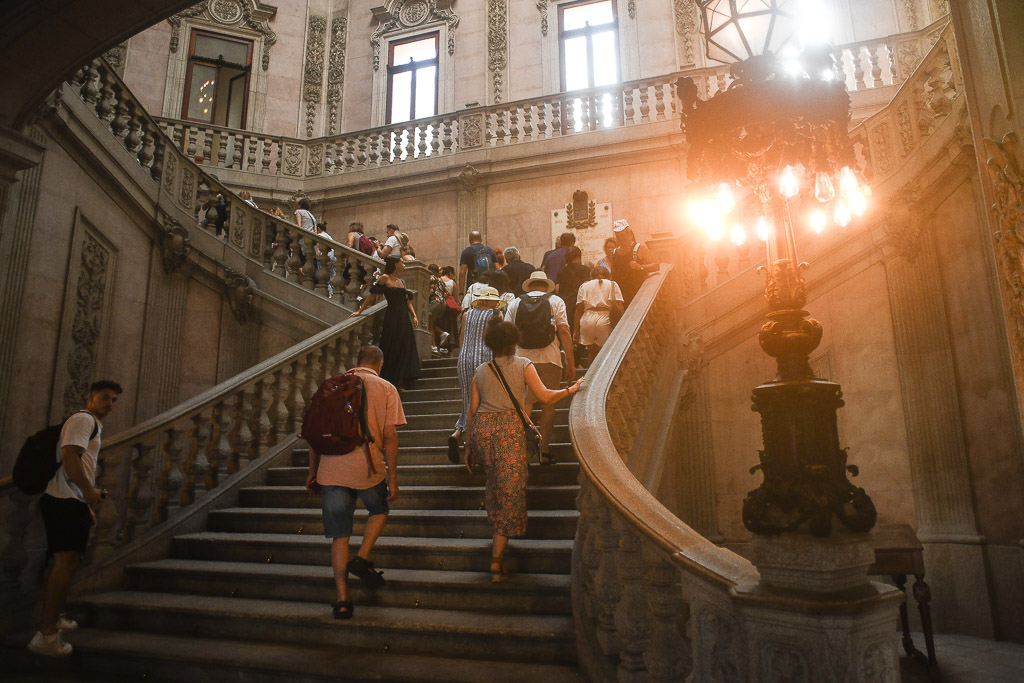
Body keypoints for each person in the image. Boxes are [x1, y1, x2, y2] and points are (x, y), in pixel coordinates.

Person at [465, 319, 584, 581]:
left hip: (483, 431)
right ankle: (496, 561)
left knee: (495, 485)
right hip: (508, 431)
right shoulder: (523, 364)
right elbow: (544, 396)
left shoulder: (481, 370)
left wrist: (468, 446)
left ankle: (497, 531)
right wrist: (571, 389)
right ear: (513, 342)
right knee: (510, 492)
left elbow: (472, 410)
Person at [305, 345, 404, 620]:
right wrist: (393, 478)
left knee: (339, 536)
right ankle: (362, 557)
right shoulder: (386, 387)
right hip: (367, 468)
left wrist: (313, 472)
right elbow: (390, 436)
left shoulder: (330, 387)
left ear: (356, 362)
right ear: (379, 364)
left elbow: (314, 433)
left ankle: (342, 599)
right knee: (379, 509)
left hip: (331, 470)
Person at [28, 380, 123, 657]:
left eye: (114, 399)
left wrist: (85, 504)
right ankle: (46, 636)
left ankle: (53, 618)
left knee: (64, 566)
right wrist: (88, 491)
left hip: (70, 500)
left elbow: (78, 463)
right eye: (105, 397)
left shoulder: (90, 422)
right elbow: (70, 457)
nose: (110, 404)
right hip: (64, 500)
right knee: (63, 567)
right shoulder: (83, 419)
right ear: (90, 397)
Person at [504, 271, 575, 465]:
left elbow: (506, 334)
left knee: (526, 404)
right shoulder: (556, 301)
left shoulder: (515, 303)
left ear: (530, 285)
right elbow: (564, 331)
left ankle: (525, 453)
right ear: (545, 285)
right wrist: (571, 360)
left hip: (522, 360)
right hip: (550, 359)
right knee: (548, 404)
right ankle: (543, 452)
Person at [448, 285, 504, 462]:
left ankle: (457, 434)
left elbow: (462, 339)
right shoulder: (496, 315)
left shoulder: (467, 314)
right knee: (483, 403)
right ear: (489, 299)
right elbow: (497, 340)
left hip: (464, 359)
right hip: (485, 359)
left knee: (468, 401)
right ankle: (473, 446)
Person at [350, 257, 421, 389]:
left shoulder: (401, 282)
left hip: (404, 318)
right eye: (402, 262)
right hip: (392, 317)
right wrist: (360, 311)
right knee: (393, 345)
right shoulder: (384, 278)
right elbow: (372, 295)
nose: (404, 265)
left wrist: (415, 315)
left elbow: (408, 301)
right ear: (395, 264)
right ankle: (392, 379)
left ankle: (401, 379)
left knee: (405, 346)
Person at [574, 265, 624, 365]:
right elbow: (619, 306)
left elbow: (578, 310)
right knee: (605, 353)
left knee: (591, 353)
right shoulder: (612, 284)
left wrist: (575, 331)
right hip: (605, 318)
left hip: (587, 319)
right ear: (607, 275)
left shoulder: (584, 286)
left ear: (592, 276)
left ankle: (592, 377)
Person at [610, 219, 657, 306]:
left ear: (630, 234)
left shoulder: (639, 248)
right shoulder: (614, 253)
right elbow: (613, 274)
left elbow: (656, 266)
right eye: (618, 236)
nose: (621, 238)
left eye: (623, 235)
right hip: (621, 298)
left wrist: (640, 267)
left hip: (638, 295)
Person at [555, 245, 590, 330]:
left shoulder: (561, 270)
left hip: (566, 304)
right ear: (578, 257)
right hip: (580, 305)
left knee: (568, 328)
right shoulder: (584, 269)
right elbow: (587, 286)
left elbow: (557, 288)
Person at [458, 230, 496, 296]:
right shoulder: (490, 251)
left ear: (469, 240)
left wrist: (461, 293)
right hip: (489, 285)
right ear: (481, 240)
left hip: (473, 286)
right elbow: (498, 270)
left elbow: (462, 273)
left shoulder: (466, 252)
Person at [437, 266, 460, 351]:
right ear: (450, 273)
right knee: (451, 327)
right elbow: (454, 298)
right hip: (450, 309)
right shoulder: (452, 282)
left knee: (440, 324)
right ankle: (450, 346)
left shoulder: (439, 279)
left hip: (440, 306)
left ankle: (440, 346)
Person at [427, 264, 447, 352]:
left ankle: (433, 346)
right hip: (443, 303)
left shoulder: (431, 277)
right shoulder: (440, 280)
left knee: (429, 324)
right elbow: (449, 292)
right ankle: (442, 334)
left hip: (434, 302)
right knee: (432, 322)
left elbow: (429, 291)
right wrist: (442, 298)